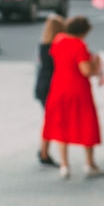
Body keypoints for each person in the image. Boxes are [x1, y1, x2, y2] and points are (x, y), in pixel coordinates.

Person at [42, 15, 103, 179]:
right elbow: (86, 70)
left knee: (62, 124)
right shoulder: (79, 45)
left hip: (58, 87)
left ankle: (64, 164)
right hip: (77, 89)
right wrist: (96, 62)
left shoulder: (58, 40)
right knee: (86, 122)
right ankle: (89, 163)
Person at [35, 14, 66, 165]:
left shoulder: (43, 45)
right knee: (51, 120)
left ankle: (43, 150)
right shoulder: (58, 46)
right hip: (51, 86)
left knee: (49, 119)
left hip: (41, 84)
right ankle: (44, 153)